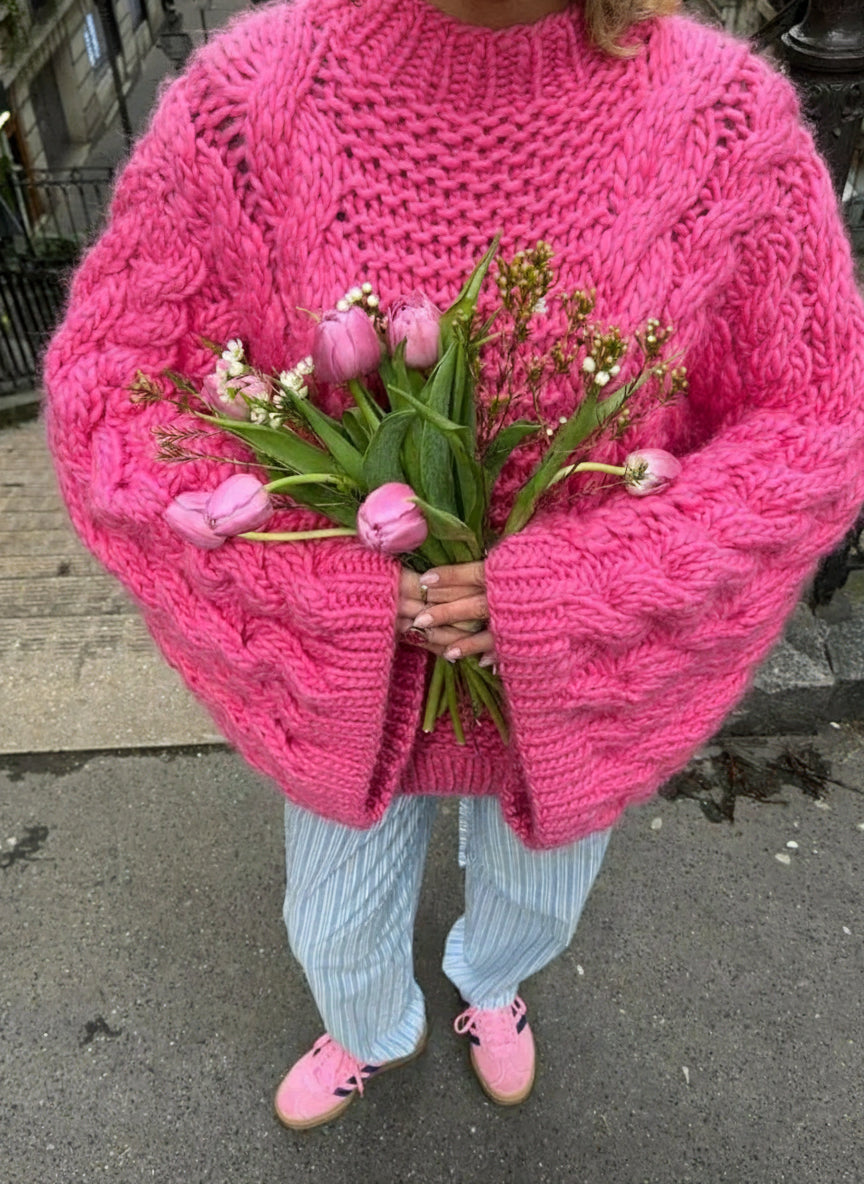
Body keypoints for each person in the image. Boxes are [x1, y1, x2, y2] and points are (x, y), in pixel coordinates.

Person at [44, 0, 864, 1132]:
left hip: (570, 691)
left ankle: (490, 983)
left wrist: (577, 591)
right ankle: (371, 1025)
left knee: (538, 902)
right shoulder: (249, 103)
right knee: (333, 924)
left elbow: (817, 420)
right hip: (348, 685)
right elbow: (115, 390)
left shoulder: (726, 123)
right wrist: (320, 592)